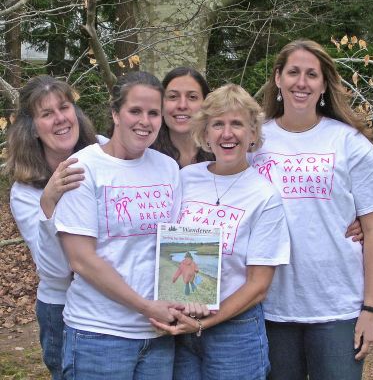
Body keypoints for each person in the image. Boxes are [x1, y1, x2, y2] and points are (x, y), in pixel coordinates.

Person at [249, 39, 373, 380]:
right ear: (278, 78)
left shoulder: (350, 143)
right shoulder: (253, 142)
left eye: (311, 74)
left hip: (337, 308)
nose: (301, 82)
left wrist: (371, 308)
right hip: (268, 307)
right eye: (293, 72)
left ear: (323, 84)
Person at [151, 84, 291, 380]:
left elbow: (259, 286)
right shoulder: (184, 178)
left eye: (237, 124)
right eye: (218, 124)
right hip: (180, 324)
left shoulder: (264, 195)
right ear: (204, 133)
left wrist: (205, 323)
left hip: (234, 333)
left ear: (253, 134)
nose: (227, 134)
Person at [54, 71, 187, 380]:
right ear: (115, 113)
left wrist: (186, 302)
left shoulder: (167, 168)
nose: (145, 121)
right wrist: (146, 307)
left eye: (154, 113)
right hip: (99, 334)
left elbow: (175, 245)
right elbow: (82, 260)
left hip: (158, 335)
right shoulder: (83, 167)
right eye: (135, 111)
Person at [6, 75, 98, 380]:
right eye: (47, 114)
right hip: (62, 307)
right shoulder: (26, 192)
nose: (60, 119)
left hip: (113, 301)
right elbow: (57, 270)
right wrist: (49, 202)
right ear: (32, 127)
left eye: (64, 107)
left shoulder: (104, 153)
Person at [152, 67, 214, 167]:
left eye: (192, 97)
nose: (182, 105)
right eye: (173, 96)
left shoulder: (219, 154)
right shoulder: (145, 156)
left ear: (205, 104)